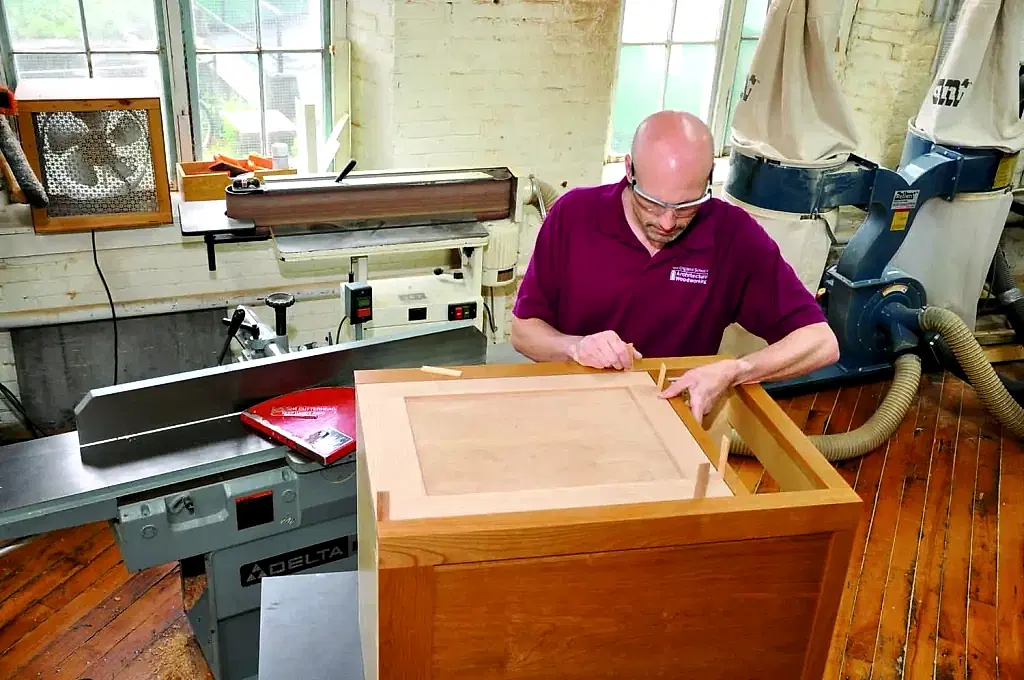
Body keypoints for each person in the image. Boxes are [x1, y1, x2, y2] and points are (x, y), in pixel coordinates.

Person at [510, 110, 840, 420]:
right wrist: (575, 347)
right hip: (569, 408)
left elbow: (820, 342)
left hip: (668, 419)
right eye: (652, 203)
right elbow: (524, 332)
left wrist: (736, 370)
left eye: (687, 206)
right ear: (629, 170)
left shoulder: (732, 235)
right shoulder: (574, 215)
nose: (667, 222)